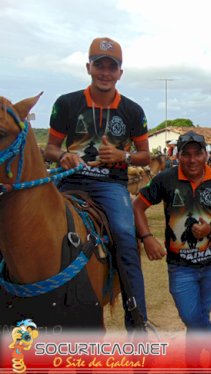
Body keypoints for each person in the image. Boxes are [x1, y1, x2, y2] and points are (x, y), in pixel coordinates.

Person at [44, 37, 151, 331]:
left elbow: (145, 156)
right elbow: (49, 149)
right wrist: (63, 155)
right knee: (29, 224)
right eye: (99, 65)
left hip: (110, 186)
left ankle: (136, 319)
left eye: (111, 67)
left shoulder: (132, 110)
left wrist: (123, 155)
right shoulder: (66, 103)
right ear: (89, 67)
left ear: (120, 73)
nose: (105, 72)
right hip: (69, 181)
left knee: (126, 237)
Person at [133, 131, 211, 365]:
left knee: (199, 317)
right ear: (177, 156)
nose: (192, 160)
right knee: (190, 316)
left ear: (205, 155)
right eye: (185, 154)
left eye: (197, 154)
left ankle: (193, 361)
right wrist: (147, 237)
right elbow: (137, 206)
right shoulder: (165, 179)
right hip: (181, 268)